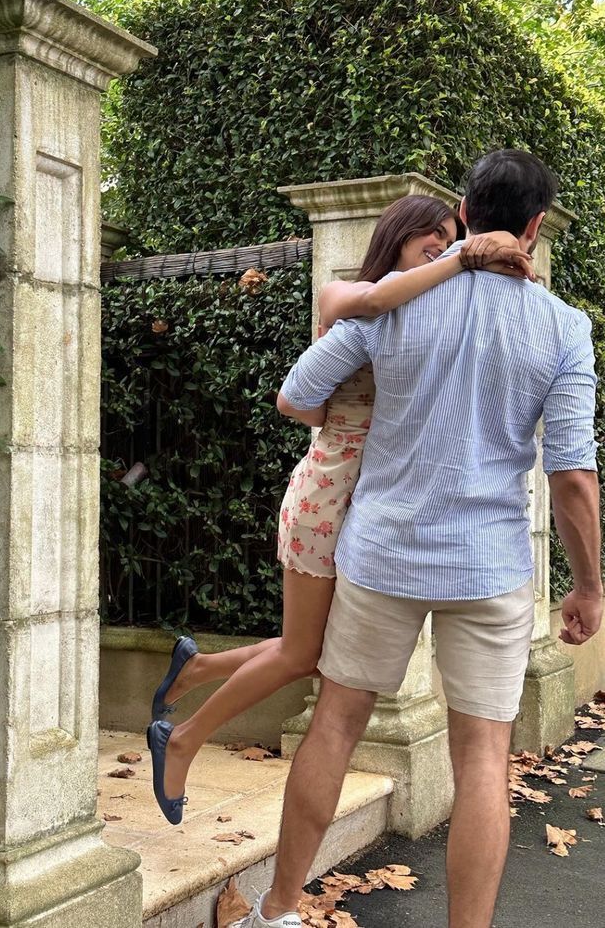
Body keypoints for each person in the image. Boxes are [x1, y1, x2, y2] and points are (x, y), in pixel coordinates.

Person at [233, 149, 601, 928]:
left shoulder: (393, 303)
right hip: (488, 566)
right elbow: (571, 474)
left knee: (335, 722)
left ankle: (276, 912)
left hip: (382, 551)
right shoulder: (565, 328)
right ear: (534, 228)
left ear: (462, 216)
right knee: (481, 759)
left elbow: (296, 394)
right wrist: (588, 584)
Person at [146, 194, 535, 825]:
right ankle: (182, 739)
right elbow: (293, 397)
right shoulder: (360, 296)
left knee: (318, 649)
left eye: (448, 236)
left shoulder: (423, 309)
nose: (440, 246)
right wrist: (466, 255)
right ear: (397, 238)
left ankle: (200, 666)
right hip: (330, 496)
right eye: (428, 238)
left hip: (368, 500)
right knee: (304, 654)